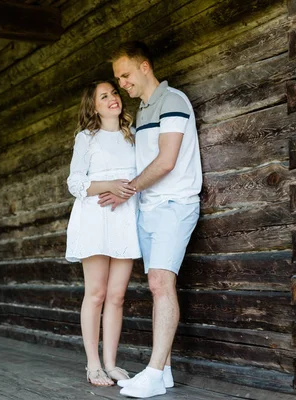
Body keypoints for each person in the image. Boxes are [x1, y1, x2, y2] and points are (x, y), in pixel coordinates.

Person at [100, 41, 202, 398]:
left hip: (175, 204)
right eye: (118, 78)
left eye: (125, 75)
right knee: (158, 286)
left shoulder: (172, 100)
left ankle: (155, 374)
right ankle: (167, 371)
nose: (122, 83)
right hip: (150, 208)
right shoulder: (143, 110)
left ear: (145, 67)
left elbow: (166, 161)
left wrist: (126, 191)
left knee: (160, 282)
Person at [66, 79, 141, 387]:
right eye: (104, 96)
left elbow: (142, 177)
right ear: (93, 106)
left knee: (117, 295)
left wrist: (125, 190)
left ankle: (111, 363)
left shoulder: (133, 136)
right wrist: (110, 185)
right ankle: (93, 364)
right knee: (96, 293)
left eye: (114, 93)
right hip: (95, 218)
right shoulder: (87, 138)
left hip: (124, 217)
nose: (113, 98)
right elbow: (75, 183)